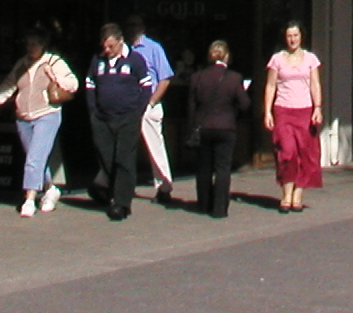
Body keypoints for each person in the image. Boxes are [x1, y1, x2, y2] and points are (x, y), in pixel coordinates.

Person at [0, 26, 78, 216]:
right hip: (24, 118)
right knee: (35, 159)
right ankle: (50, 189)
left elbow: (73, 83)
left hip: (47, 114)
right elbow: (10, 83)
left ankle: (29, 198)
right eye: (28, 44)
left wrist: (55, 77)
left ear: (43, 45)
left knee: (34, 159)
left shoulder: (53, 61)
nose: (30, 48)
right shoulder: (22, 63)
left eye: (34, 44)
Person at [85, 23, 150, 221]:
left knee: (124, 160)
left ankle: (121, 203)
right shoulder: (98, 60)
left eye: (111, 46)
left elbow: (146, 86)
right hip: (103, 118)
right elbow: (90, 84)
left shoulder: (135, 59)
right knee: (106, 158)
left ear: (121, 41)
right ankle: (110, 192)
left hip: (127, 118)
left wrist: (137, 112)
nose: (107, 50)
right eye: (104, 46)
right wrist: (94, 111)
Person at [262, 22, 324, 213]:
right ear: (285, 37)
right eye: (289, 36)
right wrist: (267, 111)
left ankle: (297, 196)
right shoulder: (277, 59)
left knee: (306, 154)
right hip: (283, 111)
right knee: (286, 153)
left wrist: (318, 108)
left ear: (301, 36)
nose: (292, 39)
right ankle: (286, 195)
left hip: (305, 111)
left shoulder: (311, 59)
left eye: (295, 35)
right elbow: (270, 86)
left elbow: (315, 84)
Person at [187, 41, 247, 218]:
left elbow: (191, 106)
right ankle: (219, 208)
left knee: (204, 167)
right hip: (226, 127)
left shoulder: (197, 77)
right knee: (223, 168)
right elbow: (245, 104)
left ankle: (203, 204)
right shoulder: (234, 78)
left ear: (209, 56)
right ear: (227, 56)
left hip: (204, 127)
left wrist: (192, 128)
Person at [123, 14, 177, 207]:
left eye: (135, 25)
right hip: (128, 105)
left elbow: (165, 77)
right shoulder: (123, 49)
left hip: (148, 104)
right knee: (123, 147)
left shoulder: (154, 48)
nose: (131, 28)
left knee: (155, 147)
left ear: (142, 27)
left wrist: (152, 101)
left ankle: (164, 187)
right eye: (129, 25)